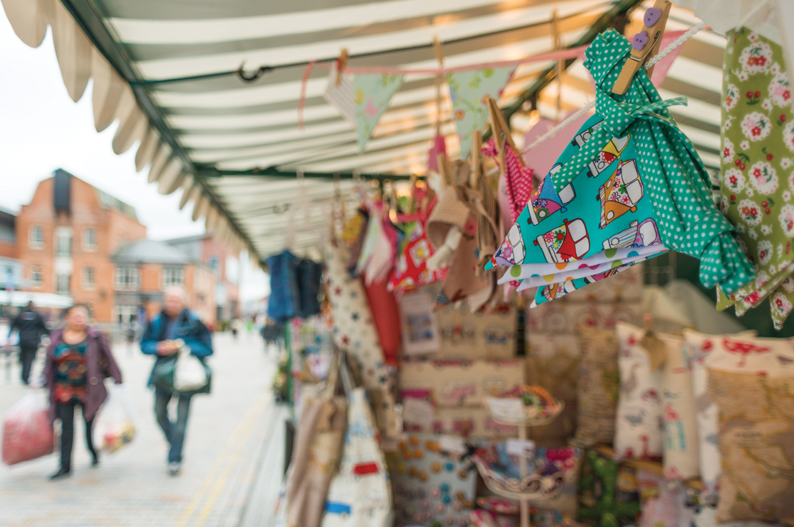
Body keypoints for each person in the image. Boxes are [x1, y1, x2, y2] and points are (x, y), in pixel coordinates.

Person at [42, 304, 122, 480]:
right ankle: (65, 466)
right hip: (63, 389)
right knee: (66, 428)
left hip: (89, 389)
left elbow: (109, 358)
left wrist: (118, 379)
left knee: (89, 425)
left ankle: (93, 452)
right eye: (76, 316)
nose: (80, 319)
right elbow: (48, 362)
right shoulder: (56, 337)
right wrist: (43, 379)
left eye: (83, 316)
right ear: (67, 318)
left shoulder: (95, 337)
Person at [141, 286, 213, 476]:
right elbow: (144, 345)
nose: (171, 304)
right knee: (159, 413)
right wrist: (158, 347)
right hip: (163, 375)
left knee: (182, 421)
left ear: (183, 303)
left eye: (175, 300)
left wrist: (184, 346)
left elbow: (208, 349)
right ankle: (175, 443)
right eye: (168, 300)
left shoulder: (195, 321)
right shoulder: (156, 320)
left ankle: (175, 458)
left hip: (185, 377)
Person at [9, 301, 49, 384]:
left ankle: (24, 376)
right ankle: (26, 377)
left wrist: (9, 337)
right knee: (29, 359)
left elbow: (13, 326)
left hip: (23, 340)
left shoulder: (21, 315)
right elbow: (43, 328)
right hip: (33, 340)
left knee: (23, 358)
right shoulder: (37, 315)